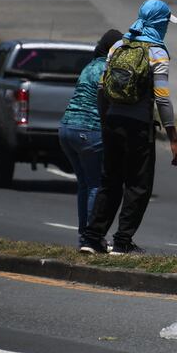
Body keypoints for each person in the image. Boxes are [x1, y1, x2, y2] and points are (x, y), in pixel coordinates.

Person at [80, 0, 177, 255]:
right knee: (138, 185)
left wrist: (106, 122)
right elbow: (162, 98)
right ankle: (122, 241)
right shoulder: (157, 51)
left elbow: (103, 87)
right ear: (160, 22)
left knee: (109, 181)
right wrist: (172, 137)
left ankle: (92, 238)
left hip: (113, 123)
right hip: (138, 127)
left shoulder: (118, 45)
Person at [59, 29, 122, 250]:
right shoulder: (109, 68)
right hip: (89, 130)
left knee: (84, 184)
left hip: (66, 128)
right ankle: (91, 238)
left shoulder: (89, 66)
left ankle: (83, 235)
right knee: (97, 184)